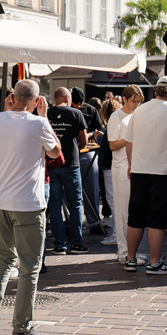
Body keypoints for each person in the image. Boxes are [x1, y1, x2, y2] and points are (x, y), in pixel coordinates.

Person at [0, 79, 60, 335]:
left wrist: (10, 104)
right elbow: (55, 152)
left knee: (4, 259)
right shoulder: (39, 123)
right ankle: (21, 327)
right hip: (28, 204)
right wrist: (44, 116)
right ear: (37, 101)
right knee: (29, 268)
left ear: (12, 97)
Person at [124, 76, 167, 275]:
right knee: (158, 220)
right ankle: (154, 263)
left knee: (135, 218)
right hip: (162, 172)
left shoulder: (139, 110)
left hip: (139, 170)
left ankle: (130, 260)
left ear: (155, 92)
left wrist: (131, 163)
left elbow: (128, 141)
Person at [46, 87, 89, 255]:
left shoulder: (46, 114)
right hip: (71, 163)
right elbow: (84, 140)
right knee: (76, 204)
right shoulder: (76, 113)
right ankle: (77, 243)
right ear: (67, 98)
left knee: (54, 204)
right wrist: (75, 150)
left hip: (53, 164)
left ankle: (59, 245)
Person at [106, 85, 144, 265]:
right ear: (124, 99)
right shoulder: (116, 116)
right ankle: (123, 252)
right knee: (122, 211)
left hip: (136, 165)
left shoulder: (137, 115)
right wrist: (131, 136)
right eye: (133, 101)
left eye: (139, 101)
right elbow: (112, 145)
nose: (137, 104)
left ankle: (131, 251)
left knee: (133, 211)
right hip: (121, 166)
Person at [72, 87, 105, 232]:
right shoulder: (65, 111)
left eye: (80, 103)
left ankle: (94, 221)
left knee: (92, 180)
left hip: (88, 151)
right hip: (70, 152)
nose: (78, 106)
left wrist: (90, 135)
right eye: (75, 104)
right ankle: (71, 222)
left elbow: (100, 128)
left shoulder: (90, 110)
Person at [99, 98, 122, 246]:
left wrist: (100, 138)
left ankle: (116, 234)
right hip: (115, 164)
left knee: (113, 200)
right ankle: (118, 234)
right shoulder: (120, 122)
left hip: (110, 165)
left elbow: (109, 146)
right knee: (115, 200)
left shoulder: (112, 125)